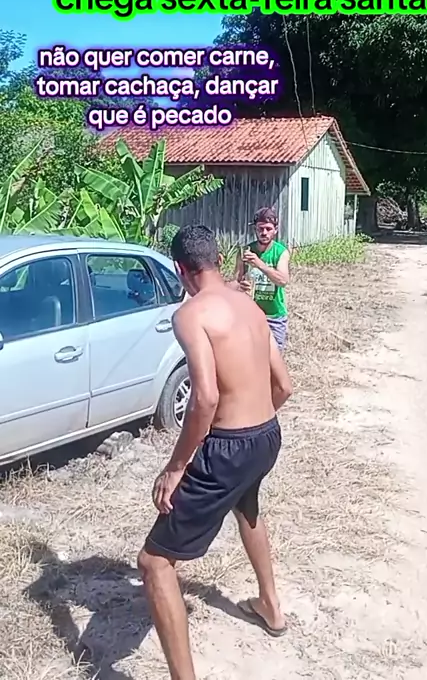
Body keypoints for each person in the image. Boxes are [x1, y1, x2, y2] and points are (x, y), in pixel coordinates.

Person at [138, 225, 293, 680]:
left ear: (180, 270)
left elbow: (204, 398)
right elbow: (284, 386)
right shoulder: (250, 306)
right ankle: (270, 606)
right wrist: (253, 425)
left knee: (154, 563)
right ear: (220, 259)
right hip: (267, 435)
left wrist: (176, 467)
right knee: (247, 507)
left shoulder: (190, 315)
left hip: (230, 446)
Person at [232, 207, 290, 353]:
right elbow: (235, 281)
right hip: (250, 314)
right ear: (255, 229)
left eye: (268, 229)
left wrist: (260, 264)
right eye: (260, 229)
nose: (264, 233)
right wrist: (240, 286)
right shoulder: (246, 251)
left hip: (274, 316)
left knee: (274, 356)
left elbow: (283, 280)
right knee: (249, 355)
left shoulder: (280, 252)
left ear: (275, 230)